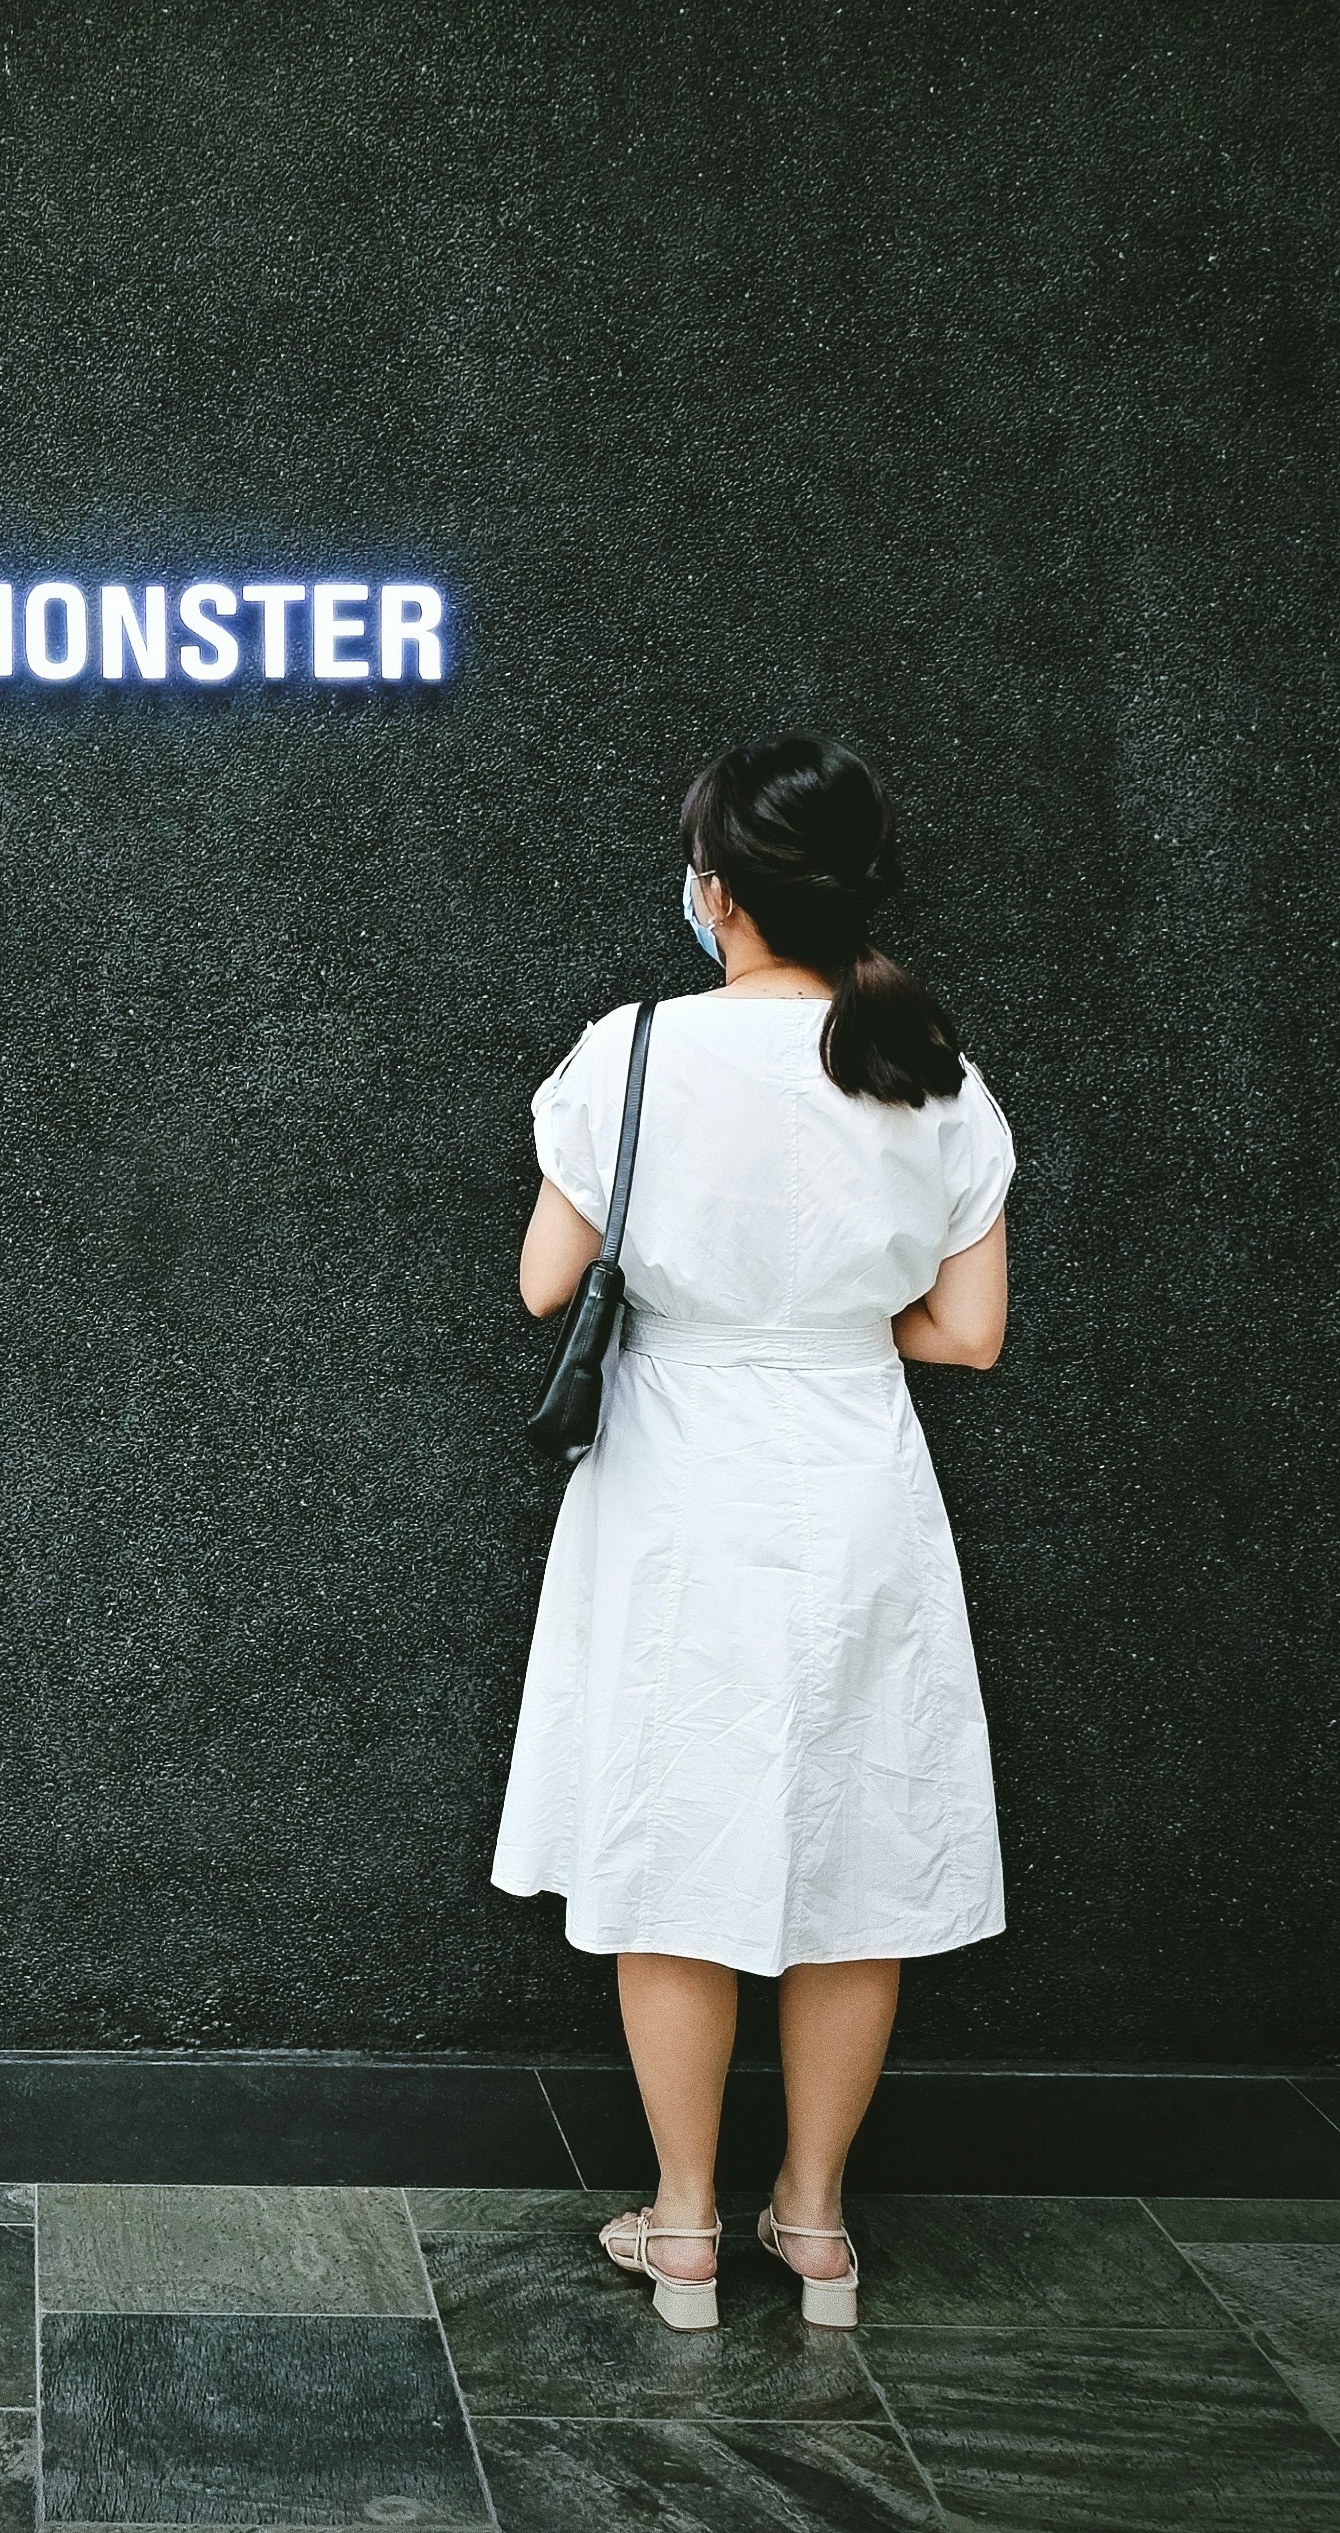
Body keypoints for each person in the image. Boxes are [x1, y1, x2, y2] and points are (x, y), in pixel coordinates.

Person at [492, 732, 1011, 2334]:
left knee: (673, 1840)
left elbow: (540, 1286)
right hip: (853, 1468)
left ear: (714, 893)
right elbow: (969, 1333)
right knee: (857, 1842)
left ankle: (684, 2226)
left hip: (674, 1475)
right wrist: (831, 1325)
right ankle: (816, 2225)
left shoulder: (629, 1051)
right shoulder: (928, 1066)